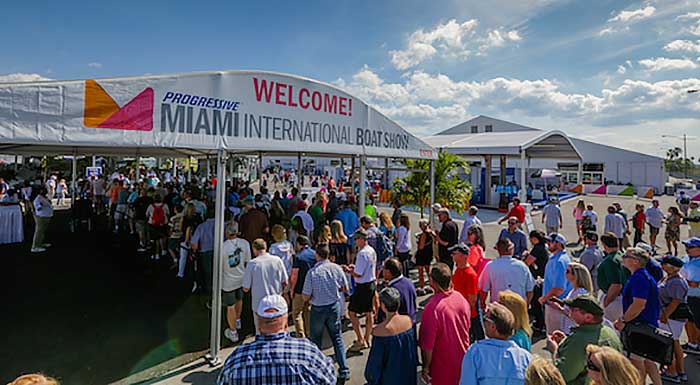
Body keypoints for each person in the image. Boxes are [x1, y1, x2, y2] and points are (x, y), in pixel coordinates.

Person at [216, 294, 336, 385]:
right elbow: (330, 378)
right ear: (285, 321)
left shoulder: (236, 360)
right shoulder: (307, 352)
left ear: (258, 321)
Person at [546, 296, 623, 385]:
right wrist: (566, 343)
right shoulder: (609, 332)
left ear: (588, 317)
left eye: (573, 309)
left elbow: (562, 374)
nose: (569, 310)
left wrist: (555, 349)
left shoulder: (578, 341)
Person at [301, 243, 350, 381]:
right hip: (333, 307)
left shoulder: (312, 273)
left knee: (316, 340)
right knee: (337, 338)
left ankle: (317, 369)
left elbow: (305, 296)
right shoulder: (336, 268)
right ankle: (344, 369)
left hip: (317, 309)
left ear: (317, 255)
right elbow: (345, 287)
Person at [614, 247, 662, 385]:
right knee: (648, 360)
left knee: (636, 362)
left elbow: (639, 304)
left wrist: (623, 320)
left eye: (626, 256)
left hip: (640, 326)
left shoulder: (638, 278)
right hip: (647, 325)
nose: (623, 258)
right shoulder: (642, 275)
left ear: (635, 261)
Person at [420, 263, 471, 385]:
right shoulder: (461, 298)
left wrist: (426, 367)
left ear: (432, 281)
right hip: (463, 363)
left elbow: (427, 346)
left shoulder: (432, 309)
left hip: (442, 370)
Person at [459, 302, 532, 385]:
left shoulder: (475, 353)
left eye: (485, 319)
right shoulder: (526, 358)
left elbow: (467, 382)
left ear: (493, 327)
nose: (484, 322)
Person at [365, 287, 418, 385]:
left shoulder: (379, 331)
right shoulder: (408, 321)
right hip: (408, 375)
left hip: (390, 378)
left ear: (383, 306)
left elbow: (374, 365)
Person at [242, 239, 289, 334]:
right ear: (265, 247)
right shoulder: (277, 260)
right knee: (279, 329)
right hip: (276, 302)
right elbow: (285, 282)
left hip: (259, 305)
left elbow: (245, 288)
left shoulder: (252, 264)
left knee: (261, 332)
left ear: (254, 249)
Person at [658, 256, 689, 383]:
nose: (662, 266)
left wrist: (665, 315)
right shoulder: (670, 278)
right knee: (674, 343)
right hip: (671, 317)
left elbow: (675, 301)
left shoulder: (676, 282)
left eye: (664, 264)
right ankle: (679, 371)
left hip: (672, 318)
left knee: (670, 343)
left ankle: (673, 372)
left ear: (671, 267)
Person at [345, 229, 377, 352]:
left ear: (361, 239)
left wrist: (349, 270)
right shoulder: (371, 250)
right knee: (369, 312)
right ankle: (366, 338)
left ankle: (360, 339)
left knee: (352, 312)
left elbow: (358, 274)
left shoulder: (362, 253)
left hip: (362, 286)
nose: (355, 241)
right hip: (370, 283)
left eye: (356, 239)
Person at [221, 221, 251, 343]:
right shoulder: (245, 243)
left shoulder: (223, 246)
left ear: (226, 232)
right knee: (240, 300)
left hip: (228, 280)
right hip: (241, 277)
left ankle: (233, 331)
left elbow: (220, 265)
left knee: (230, 306)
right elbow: (248, 261)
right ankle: (237, 320)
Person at [479, 238, 534, 304]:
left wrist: (482, 304)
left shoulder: (490, 266)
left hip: (498, 308)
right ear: (510, 250)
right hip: (518, 307)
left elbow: (484, 289)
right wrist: (526, 305)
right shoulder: (522, 266)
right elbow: (530, 290)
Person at [539, 233, 572, 335]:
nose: (547, 244)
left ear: (558, 244)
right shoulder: (560, 258)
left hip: (556, 306)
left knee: (554, 337)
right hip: (558, 305)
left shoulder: (559, 262)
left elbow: (558, 288)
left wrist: (544, 298)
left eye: (550, 242)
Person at [549, 262, 593, 335]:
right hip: (568, 328)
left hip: (572, 329)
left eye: (568, 271)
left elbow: (575, 314)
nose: (565, 273)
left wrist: (559, 308)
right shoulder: (574, 290)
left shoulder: (579, 293)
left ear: (575, 275)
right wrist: (559, 301)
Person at [597, 233, 629, 323]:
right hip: (622, 298)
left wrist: (606, 302)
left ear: (604, 245)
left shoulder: (610, 260)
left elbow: (616, 285)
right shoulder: (622, 256)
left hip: (613, 298)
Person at [521, 229, 548, 333]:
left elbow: (527, 262)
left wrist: (525, 258)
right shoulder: (542, 248)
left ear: (535, 239)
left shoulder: (537, 249)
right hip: (541, 276)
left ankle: (539, 324)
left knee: (536, 301)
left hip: (536, 279)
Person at [378, 258, 417, 324]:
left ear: (388, 272)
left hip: (398, 327)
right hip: (411, 324)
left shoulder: (391, 291)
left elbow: (384, 315)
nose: (382, 270)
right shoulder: (409, 282)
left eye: (383, 268)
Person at [290, 235, 315, 338]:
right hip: (311, 287)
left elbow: (294, 275)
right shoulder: (314, 254)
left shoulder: (298, 256)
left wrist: (292, 289)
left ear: (299, 244)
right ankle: (309, 332)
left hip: (300, 288)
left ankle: (301, 335)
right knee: (307, 310)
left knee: (296, 313)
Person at [681, 237, 700, 355]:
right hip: (686, 296)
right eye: (686, 246)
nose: (687, 249)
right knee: (688, 320)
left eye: (690, 247)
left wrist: (697, 284)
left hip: (698, 297)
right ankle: (692, 343)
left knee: (698, 323)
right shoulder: (685, 259)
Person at [191, 208, 216, 294]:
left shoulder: (201, 226)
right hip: (218, 251)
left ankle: (209, 291)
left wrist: (194, 252)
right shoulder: (221, 225)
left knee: (208, 272)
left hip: (205, 252)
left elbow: (194, 243)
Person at [449, 243, 478, 313]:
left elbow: (472, 301)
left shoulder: (470, 275)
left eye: (454, 253)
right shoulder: (458, 270)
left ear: (464, 256)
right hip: (457, 310)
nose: (451, 255)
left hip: (465, 313)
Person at [146, 194, 170, 260]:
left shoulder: (151, 206)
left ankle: (156, 254)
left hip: (153, 224)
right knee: (162, 237)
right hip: (163, 224)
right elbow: (168, 213)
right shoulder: (165, 205)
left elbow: (147, 214)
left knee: (155, 240)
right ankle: (163, 250)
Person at [415, 218, 434, 295]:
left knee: (421, 272)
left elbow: (421, 247)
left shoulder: (423, 234)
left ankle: (422, 287)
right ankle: (431, 285)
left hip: (422, 254)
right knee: (428, 271)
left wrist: (418, 242)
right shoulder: (431, 233)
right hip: (428, 253)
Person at [31, 187, 53, 253]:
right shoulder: (38, 198)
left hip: (46, 216)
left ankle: (40, 243)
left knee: (42, 231)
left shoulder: (44, 197)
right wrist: (42, 205)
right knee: (39, 231)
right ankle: (35, 246)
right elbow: (37, 208)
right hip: (41, 216)